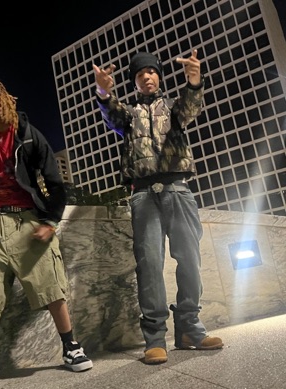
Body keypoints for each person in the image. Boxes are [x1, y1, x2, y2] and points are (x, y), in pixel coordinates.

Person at [0, 75, 92, 389]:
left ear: (6, 96)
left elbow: (54, 183)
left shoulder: (27, 134)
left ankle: (71, 346)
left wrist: (50, 221)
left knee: (49, 272)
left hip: (27, 215)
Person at [92, 50, 224, 364]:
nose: (146, 77)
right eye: (140, 74)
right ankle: (154, 338)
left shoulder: (173, 108)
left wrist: (194, 81)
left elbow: (190, 109)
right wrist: (103, 92)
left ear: (159, 76)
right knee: (149, 265)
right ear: (134, 81)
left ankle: (189, 328)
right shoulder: (129, 114)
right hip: (143, 194)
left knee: (189, 258)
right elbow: (111, 115)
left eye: (151, 72)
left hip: (178, 189)